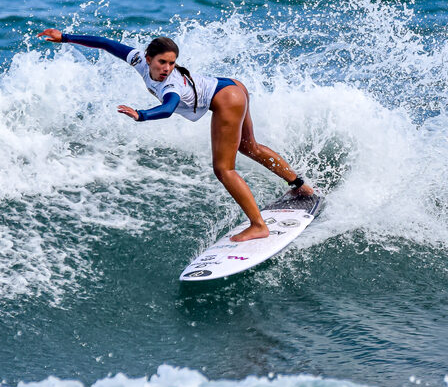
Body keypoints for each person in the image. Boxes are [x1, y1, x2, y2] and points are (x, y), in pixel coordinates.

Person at [37, 29, 315, 242]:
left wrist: (142, 114)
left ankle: (258, 226)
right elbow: (107, 44)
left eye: (171, 63)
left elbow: (168, 108)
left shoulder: (170, 84)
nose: (167, 68)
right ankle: (300, 186)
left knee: (224, 169)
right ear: (147, 59)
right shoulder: (138, 60)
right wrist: (65, 38)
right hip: (231, 86)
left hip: (227, 98)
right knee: (248, 146)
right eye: (162, 62)